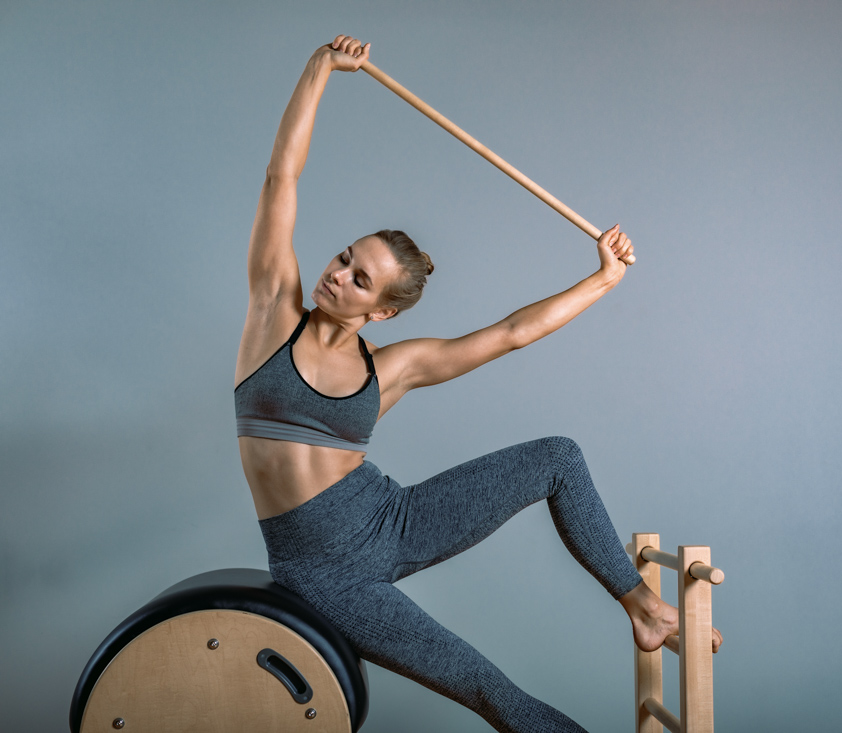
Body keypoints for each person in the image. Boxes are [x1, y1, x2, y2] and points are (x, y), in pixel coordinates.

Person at [235, 34, 721, 733]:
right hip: (323, 572)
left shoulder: (390, 367)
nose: (335, 275)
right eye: (343, 258)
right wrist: (319, 70)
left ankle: (641, 606)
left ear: (383, 311)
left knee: (557, 458)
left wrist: (603, 280)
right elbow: (281, 179)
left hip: (392, 520)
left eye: (359, 279)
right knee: (488, 689)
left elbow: (511, 332)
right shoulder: (271, 314)